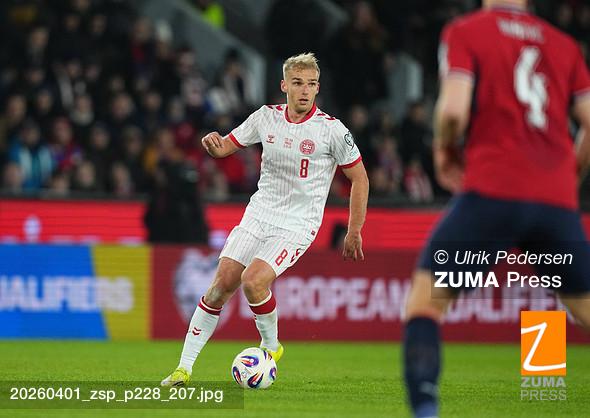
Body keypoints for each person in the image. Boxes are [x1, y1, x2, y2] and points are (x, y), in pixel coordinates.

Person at [402, 1, 590, 417]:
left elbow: (453, 110)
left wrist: (444, 149)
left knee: (426, 304)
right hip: (556, 206)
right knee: (584, 309)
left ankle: (426, 410)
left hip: (492, 195)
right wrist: (568, 177)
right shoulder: (565, 46)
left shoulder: (467, 31)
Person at [161, 52, 369, 386]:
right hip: (258, 215)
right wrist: (212, 145)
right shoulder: (265, 118)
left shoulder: (332, 130)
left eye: (311, 84)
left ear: (318, 88)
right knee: (218, 289)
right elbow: (226, 146)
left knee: (254, 281)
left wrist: (354, 229)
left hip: (297, 224)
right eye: (298, 83)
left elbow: (360, 178)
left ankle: (271, 346)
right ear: (284, 85)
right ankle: (183, 369)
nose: (305, 90)